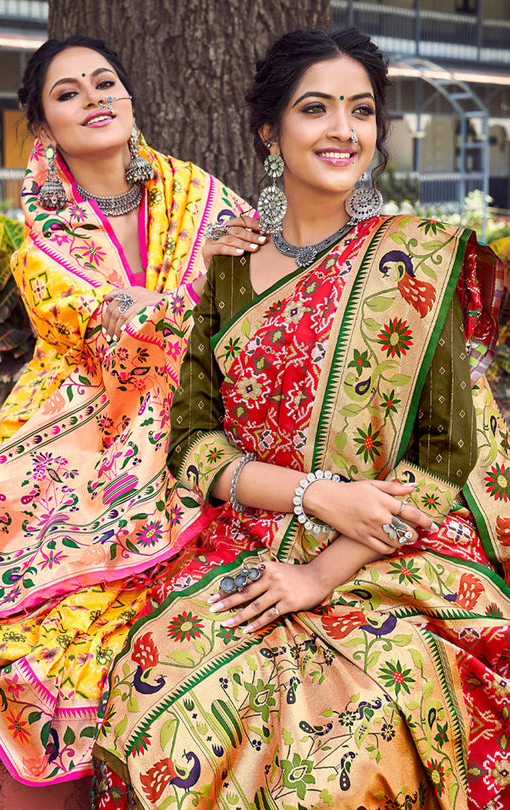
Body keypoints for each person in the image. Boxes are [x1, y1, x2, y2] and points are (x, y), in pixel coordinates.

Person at [92, 28, 510, 810]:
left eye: (361, 110)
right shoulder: (227, 266)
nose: (343, 129)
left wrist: (321, 572)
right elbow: (192, 441)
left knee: (341, 754)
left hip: (388, 553)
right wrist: (314, 495)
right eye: (315, 109)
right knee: (168, 712)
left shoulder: (412, 260)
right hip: (251, 538)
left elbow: (446, 455)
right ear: (270, 131)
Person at [0, 34, 261, 787]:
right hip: (82, 416)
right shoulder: (43, 236)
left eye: (106, 83)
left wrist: (224, 273)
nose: (95, 98)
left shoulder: (195, 191)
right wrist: (205, 275)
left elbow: (258, 280)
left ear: (130, 100)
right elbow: (110, 333)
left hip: (194, 402)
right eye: (68, 93)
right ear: (44, 128)